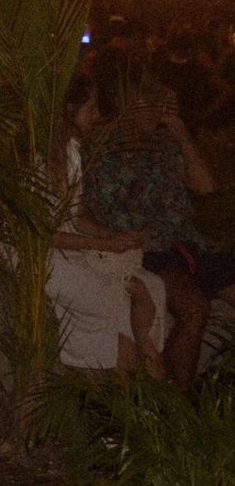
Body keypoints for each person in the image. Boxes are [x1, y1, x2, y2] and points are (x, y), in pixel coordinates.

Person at [82, 55, 231, 389]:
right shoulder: (101, 146)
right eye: (151, 102)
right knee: (194, 308)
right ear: (127, 102)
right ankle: (178, 398)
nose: (160, 110)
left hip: (189, 244)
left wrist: (179, 131)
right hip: (148, 249)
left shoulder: (165, 142)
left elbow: (206, 186)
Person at [46, 70, 165, 374]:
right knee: (120, 300)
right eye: (91, 108)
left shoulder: (72, 150)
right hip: (43, 258)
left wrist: (114, 236)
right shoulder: (43, 157)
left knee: (147, 289)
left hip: (69, 249)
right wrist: (104, 244)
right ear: (70, 112)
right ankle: (129, 386)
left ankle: (140, 383)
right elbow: (46, 234)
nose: (97, 115)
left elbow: (78, 216)